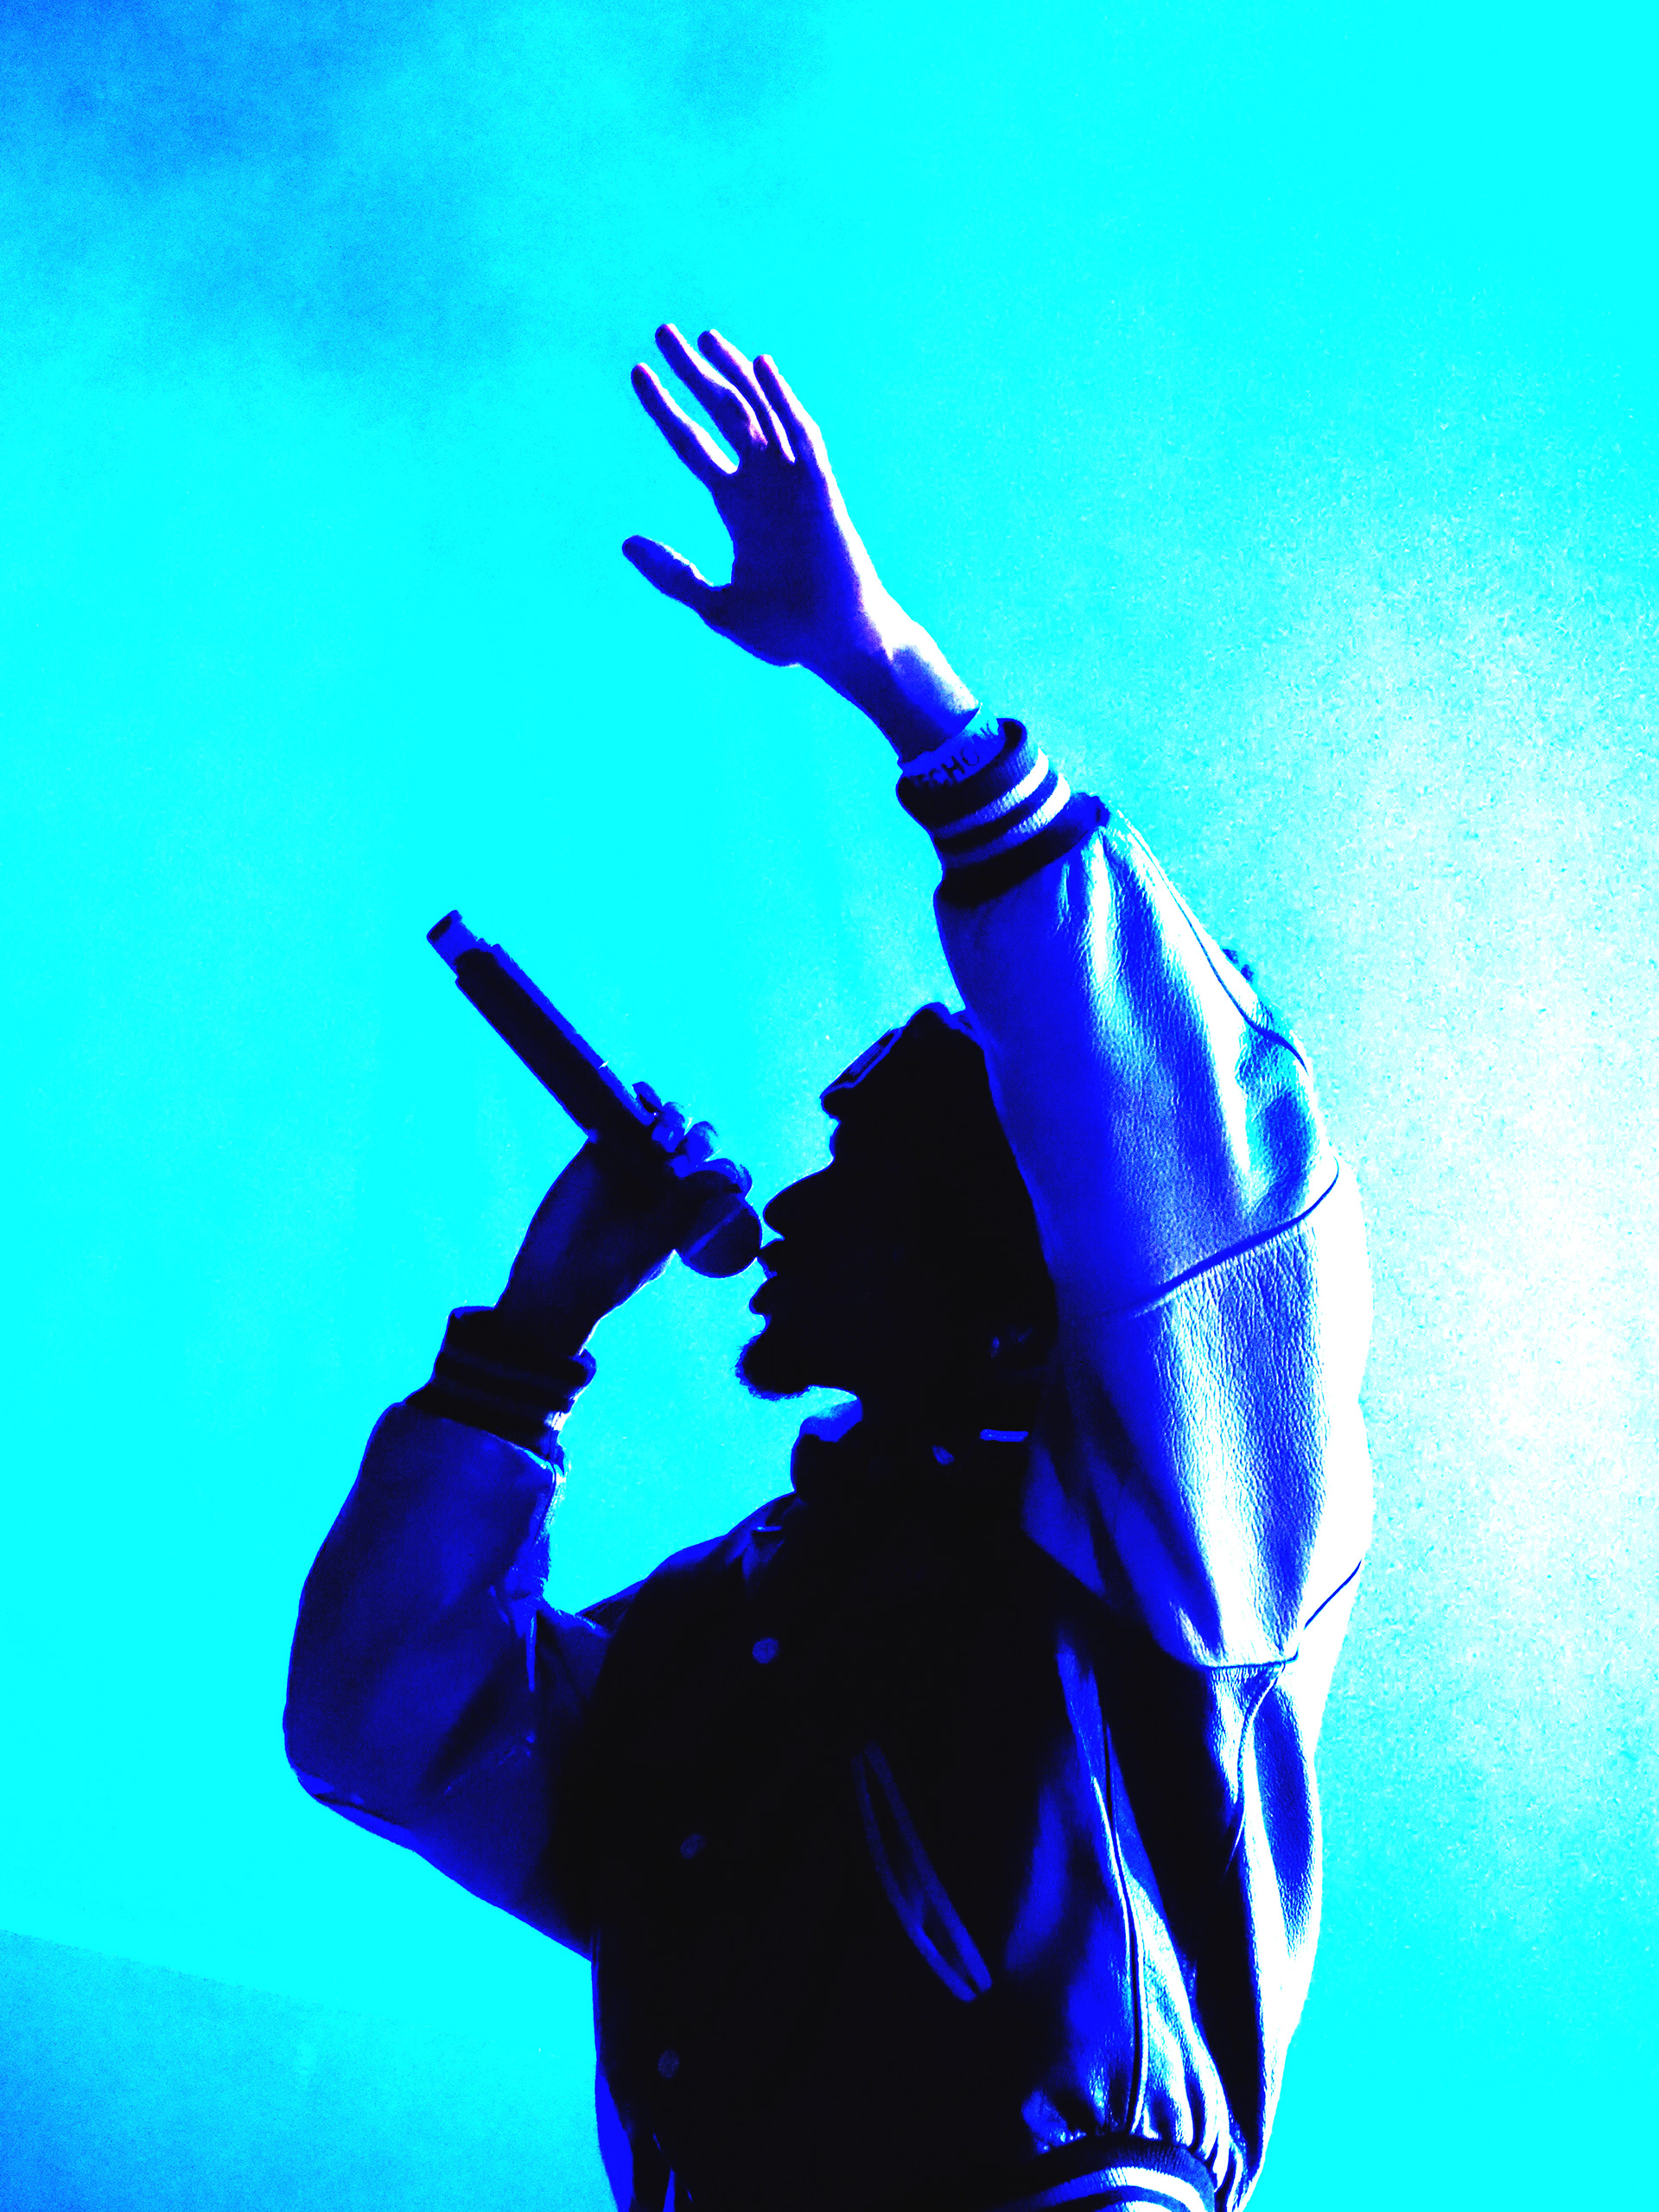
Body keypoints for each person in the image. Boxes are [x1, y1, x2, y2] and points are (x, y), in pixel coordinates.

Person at [284, 325, 1373, 2212]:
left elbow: (1185, 1138)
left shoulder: (1168, 1529)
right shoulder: (718, 1631)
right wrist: (528, 1344)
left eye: (864, 1178)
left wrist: (888, 671)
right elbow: (385, 1728)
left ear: (1020, 1268)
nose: (788, 1206)